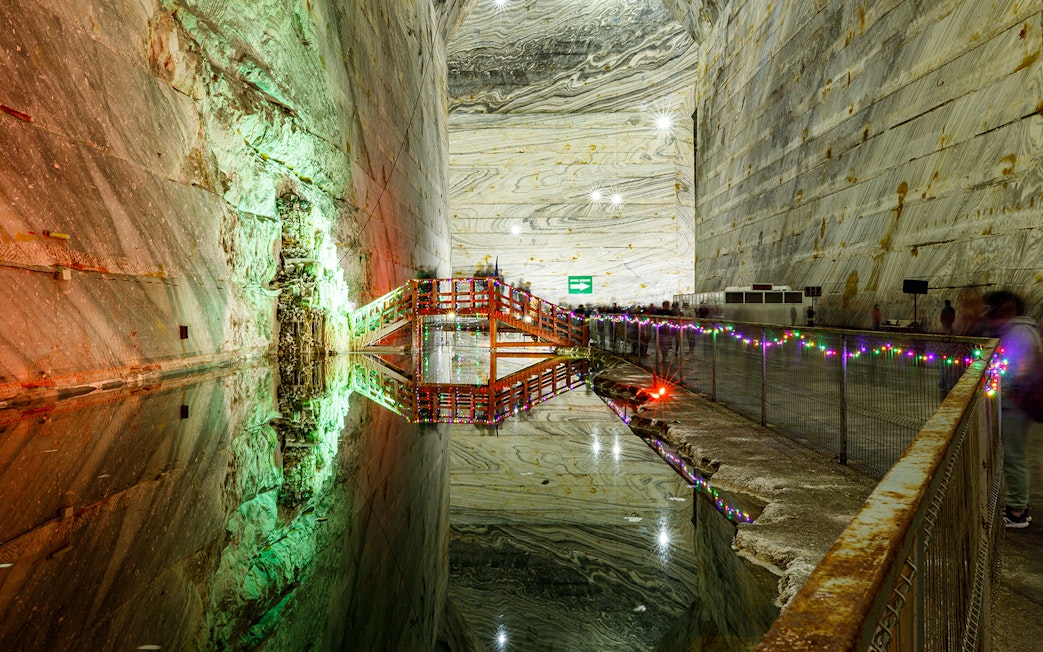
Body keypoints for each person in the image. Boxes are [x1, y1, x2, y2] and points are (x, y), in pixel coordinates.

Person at [985, 290, 1041, 528]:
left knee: (1014, 457)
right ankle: (1019, 508)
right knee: (1016, 456)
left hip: (1014, 405)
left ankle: (1017, 512)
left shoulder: (1017, 332)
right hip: (1016, 403)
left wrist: (1001, 393)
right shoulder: (1023, 330)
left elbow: (1015, 368)